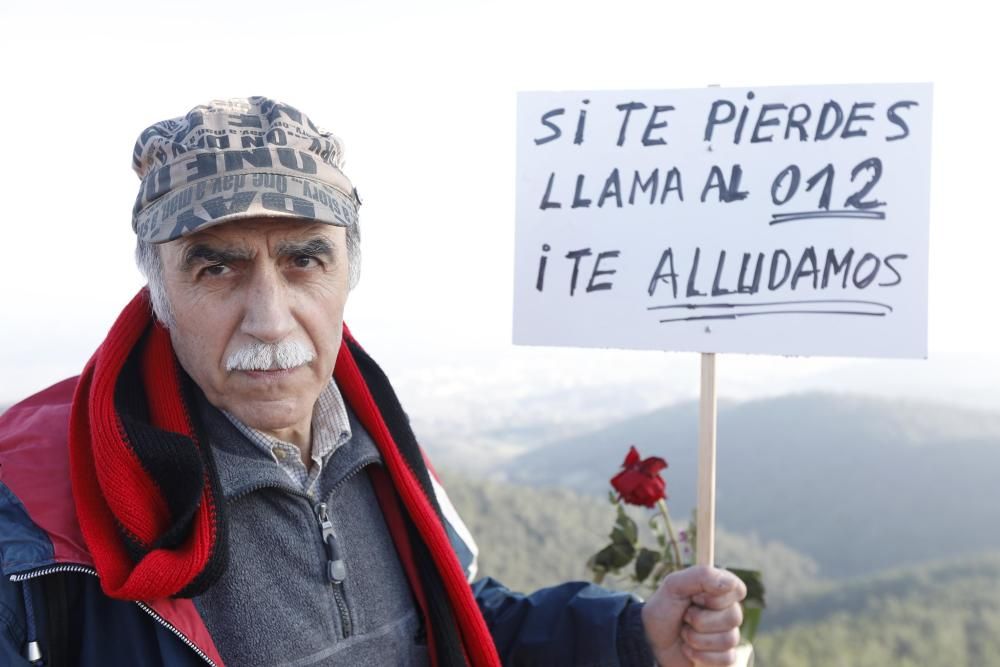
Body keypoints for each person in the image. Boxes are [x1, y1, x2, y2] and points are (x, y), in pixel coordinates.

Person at [0, 97, 746, 666]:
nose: (269, 318)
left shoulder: (377, 441)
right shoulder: (40, 517)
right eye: (215, 265)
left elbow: (455, 616)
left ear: (348, 273)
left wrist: (631, 635)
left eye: (304, 259)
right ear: (157, 290)